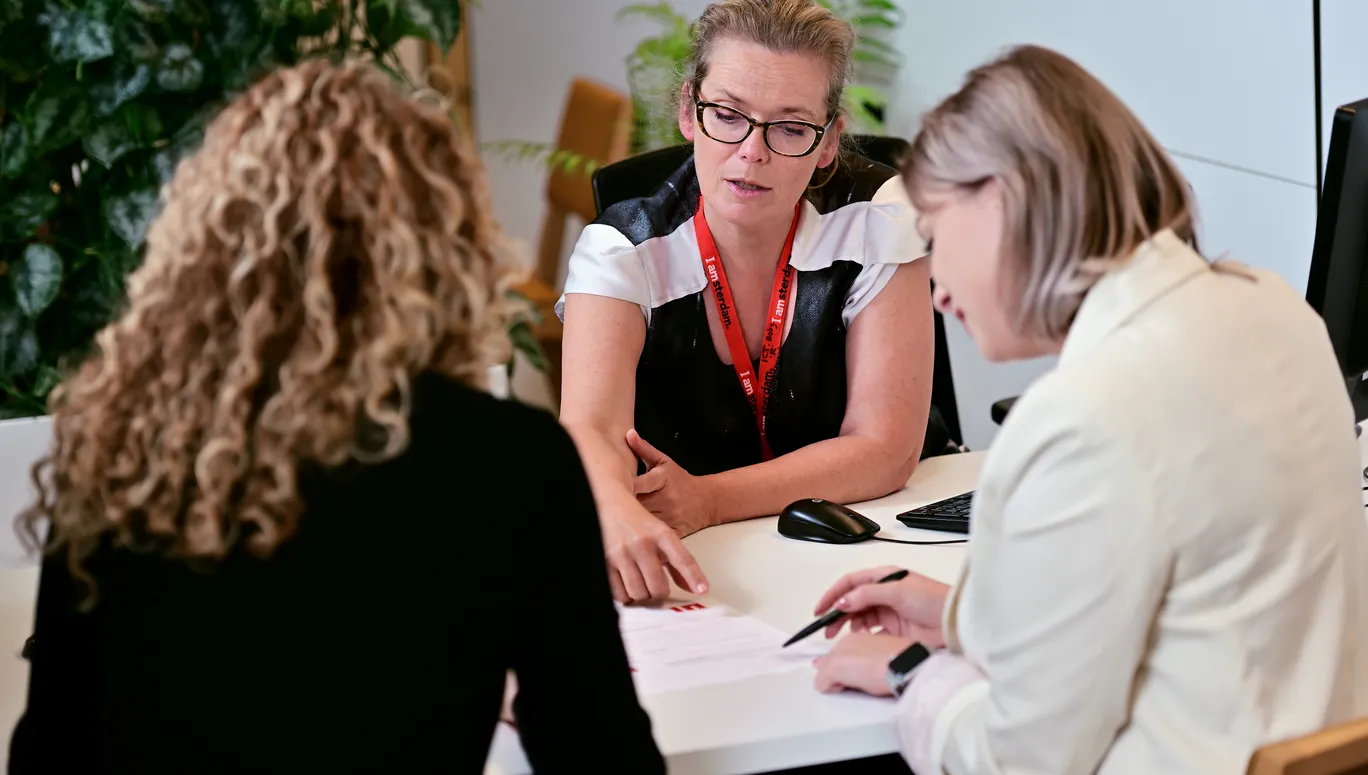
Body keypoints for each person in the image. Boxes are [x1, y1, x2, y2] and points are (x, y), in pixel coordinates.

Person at [9, 60, 664, 774]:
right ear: (441, 247)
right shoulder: (513, 461)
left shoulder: (121, 446)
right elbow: (601, 753)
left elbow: (49, 748)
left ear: (213, 246)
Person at [809, 45, 1368, 775]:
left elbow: (1019, 760)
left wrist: (915, 670)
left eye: (937, 237)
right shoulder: (1276, 310)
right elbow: (1189, 601)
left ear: (1002, 200)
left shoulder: (1083, 414)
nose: (938, 288)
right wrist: (963, 618)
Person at [557, 0, 939, 605]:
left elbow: (885, 449)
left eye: (789, 128)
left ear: (827, 142)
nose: (751, 152)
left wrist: (708, 498)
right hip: (704, 560)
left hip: (873, 536)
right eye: (728, 115)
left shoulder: (878, 216)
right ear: (689, 111)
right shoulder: (624, 249)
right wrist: (612, 511)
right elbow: (588, 428)